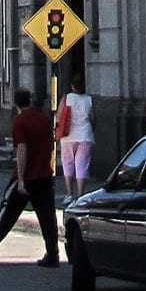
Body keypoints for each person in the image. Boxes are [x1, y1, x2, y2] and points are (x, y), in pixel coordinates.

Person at [0, 86, 60, 266]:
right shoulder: (43, 119)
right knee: (47, 217)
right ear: (29, 100)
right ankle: (53, 255)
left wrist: (20, 179)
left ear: (16, 103)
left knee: (6, 214)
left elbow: (22, 150)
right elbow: (51, 144)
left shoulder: (20, 121)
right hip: (44, 175)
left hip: (26, 178)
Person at [57, 69, 95, 204]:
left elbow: (59, 116)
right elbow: (93, 119)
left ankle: (69, 194)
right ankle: (81, 195)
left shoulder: (66, 98)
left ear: (72, 85)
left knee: (68, 163)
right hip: (85, 135)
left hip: (67, 136)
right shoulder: (89, 99)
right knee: (82, 165)